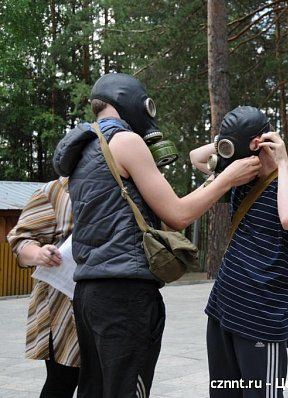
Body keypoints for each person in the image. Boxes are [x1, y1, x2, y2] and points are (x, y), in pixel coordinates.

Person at [52, 73, 260, 398]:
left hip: (89, 293)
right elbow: (177, 215)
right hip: (126, 294)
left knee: (94, 389)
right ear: (134, 102)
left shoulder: (83, 148)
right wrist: (226, 179)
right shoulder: (125, 141)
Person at [191, 106, 288, 398]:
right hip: (222, 309)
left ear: (260, 144)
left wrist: (282, 162)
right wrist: (228, 140)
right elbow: (196, 157)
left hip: (261, 318)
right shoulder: (242, 175)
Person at [7, 178, 79, 398]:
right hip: (62, 307)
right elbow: (19, 239)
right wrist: (38, 254)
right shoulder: (55, 191)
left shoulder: (123, 185)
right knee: (62, 381)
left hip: (111, 300)